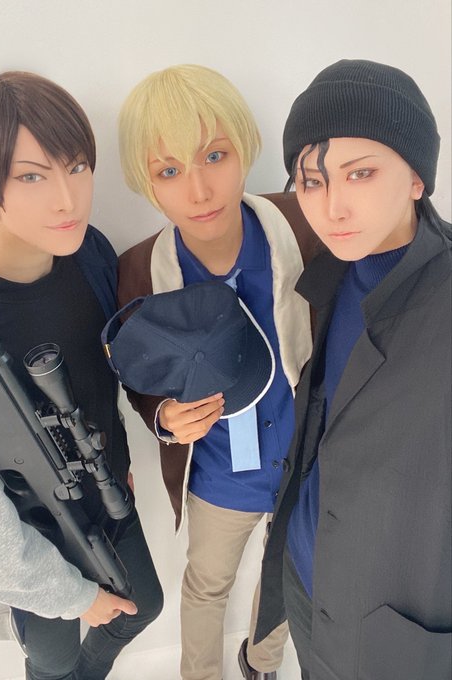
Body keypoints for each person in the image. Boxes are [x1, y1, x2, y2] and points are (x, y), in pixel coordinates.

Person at [0, 71, 163, 680]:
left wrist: (124, 451)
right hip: (23, 537)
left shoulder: (90, 254)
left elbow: (106, 366)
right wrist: (72, 597)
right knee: (52, 658)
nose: (69, 198)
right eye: (31, 176)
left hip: (105, 494)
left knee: (144, 607)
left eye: (77, 166)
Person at [117, 64, 319, 680]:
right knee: (205, 588)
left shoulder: (305, 223)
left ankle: (260, 663)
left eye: (214, 155)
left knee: (289, 578)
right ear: (146, 183)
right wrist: (164, 416)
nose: (200, 190)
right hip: (219, 476)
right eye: (169, 171)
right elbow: (134, 370)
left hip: (304, 462)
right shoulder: (137, 270)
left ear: (244, 149)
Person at [253, 59, 452, 680]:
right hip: (307, 583)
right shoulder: (334, 269)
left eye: (360, 173)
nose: (332, 206)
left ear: (416, 176)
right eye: (311, 181)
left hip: (394, 628)